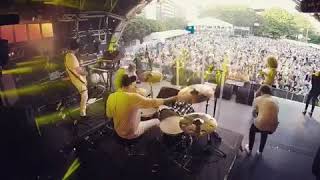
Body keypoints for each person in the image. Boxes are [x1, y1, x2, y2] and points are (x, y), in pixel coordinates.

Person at [106, 74, 177, 140]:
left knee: (138, 111)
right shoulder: (133, 97)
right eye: (133, 85)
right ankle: (155, 141)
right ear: (128, 85)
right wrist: (174, 98)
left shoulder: (111, 96)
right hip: (131, 133)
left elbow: (109, 115)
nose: (134, 87)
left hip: (118, 131)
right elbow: (154, 102)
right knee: (157, 121)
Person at [245, 85, 279, 155]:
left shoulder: (257, 99)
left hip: (262, 124)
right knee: (265, 130)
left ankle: (250, 149)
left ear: (261, 91)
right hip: (273, 126)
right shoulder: (276, 100)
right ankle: (260, 151)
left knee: (252, 129)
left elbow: (254, 114)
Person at [65, 39, 88, 121]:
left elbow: (72, 68)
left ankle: (83, 110)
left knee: (83, 95)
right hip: (77, 80)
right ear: (77, 48)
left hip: (73, 78)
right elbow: (79, 71)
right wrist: (85, 72)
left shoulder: (67, 55)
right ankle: (83, 114)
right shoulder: (72, 57)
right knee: (85, 95)